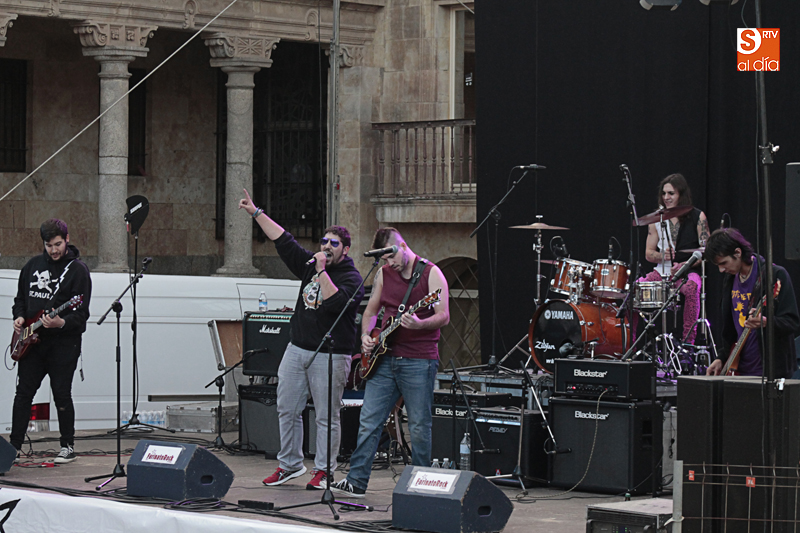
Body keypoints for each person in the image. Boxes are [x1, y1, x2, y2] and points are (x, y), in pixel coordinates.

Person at [238, 189, 364, 490]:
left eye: (334, 243)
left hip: (331, 354)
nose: (326, 246)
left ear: (345, 250)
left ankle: (324, 471)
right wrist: (256, 213)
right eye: (324, 241)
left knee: (326, 417)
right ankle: (290, 464)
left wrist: (321, 270)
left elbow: (334, 303)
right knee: (287, 408)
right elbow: (284, 240)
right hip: (297, 349)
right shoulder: (309, 264)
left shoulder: (352, 277)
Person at [331, 227, 449, 498]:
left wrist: (419, 324)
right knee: (369, 420)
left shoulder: (432, 273)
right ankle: (356, 481)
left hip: (419, 359)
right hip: (384, 359)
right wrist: (365, 336)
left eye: (391, 256)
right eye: (384, 259)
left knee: (418, 425)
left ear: (403, 246)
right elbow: (370, 312)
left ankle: (421, 486)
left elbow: (443, 315)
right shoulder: (384, 273)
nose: (389, 263)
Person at [10, 219, 92, 464]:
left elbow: (82, 314)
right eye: (49, 245)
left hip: (63, 345)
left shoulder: (77, 271)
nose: (54, 250)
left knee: (61, 395)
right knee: (23, 394)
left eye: (58, 244)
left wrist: (61, 322)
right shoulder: (32, 266)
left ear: (67, 239)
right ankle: (13, 447)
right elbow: (20, 299)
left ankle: (67, 446)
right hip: (32, 342)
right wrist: (19, 317)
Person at [705, 228, 800, 378]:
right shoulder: (731, 279)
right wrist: (721, 357)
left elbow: (792, 322)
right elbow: (731, 329)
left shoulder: (774, 275)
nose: (721, 270)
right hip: (739, 369)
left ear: (738, 252)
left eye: (724, 263)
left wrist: (766, 322)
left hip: (771, 371)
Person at [641, 173, 710, 344]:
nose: (666, 197)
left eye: (671, 193)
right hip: (662, 271)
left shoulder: (698, 217)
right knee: (634, 292)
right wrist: (661, 256)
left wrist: (686, 264)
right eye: (664, 193)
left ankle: (688, 343)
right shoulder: (656, 219)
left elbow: (707, 251)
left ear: (681, 194)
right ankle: (631, 345)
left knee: (692, 287)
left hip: (688, 271)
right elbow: (648, 253)